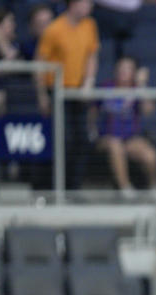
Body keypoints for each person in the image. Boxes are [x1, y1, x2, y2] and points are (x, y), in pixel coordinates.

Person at [35, 0, 99, 189]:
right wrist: (42, 96)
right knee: (63, 141)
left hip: (78, 92)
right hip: (57, 91)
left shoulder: (90, 25)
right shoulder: (54, 29)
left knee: (82, 140)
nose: (90, 6)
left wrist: (89, 81)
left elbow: (92, 55)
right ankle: (54, 187)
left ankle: (73, 188)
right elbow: (40, 64)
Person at [90, 56, 156, 201]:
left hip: (130, 138)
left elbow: (149, 109)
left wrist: (142, 85)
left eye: (128, 68)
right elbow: (93, 111)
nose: (123, 71)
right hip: (107, 137)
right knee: (116, 145)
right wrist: (92, 131)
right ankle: (125, 189)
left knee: (150, 156)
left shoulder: (137, 90)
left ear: (134, 72)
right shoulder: (106, 87)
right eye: (121, 67)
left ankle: (154, 186)